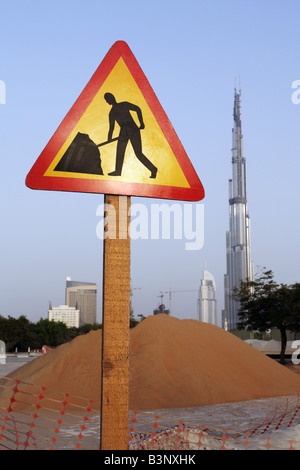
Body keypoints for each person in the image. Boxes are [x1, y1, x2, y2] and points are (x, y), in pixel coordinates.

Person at [104, 93, 157, 178]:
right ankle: (118, 171)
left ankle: (153, 169)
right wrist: (109, 139)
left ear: (111, 98)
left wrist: (141, 122)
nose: (107, 101)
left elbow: (137, 109)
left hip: (133, 129)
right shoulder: (112, 113)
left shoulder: (124, 104)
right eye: (106, 100)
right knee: (120, 152)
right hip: (123, 132)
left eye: (107, 99)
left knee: (138, 153)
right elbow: (111, 128)